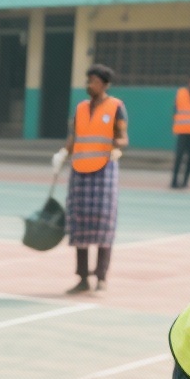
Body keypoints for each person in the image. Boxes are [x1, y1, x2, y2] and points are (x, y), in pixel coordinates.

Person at [51, 64, 127, 294]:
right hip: (79, 171)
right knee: (79, 224)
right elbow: (73, 138)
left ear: (104, 84)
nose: (89, 85)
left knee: (104, 224)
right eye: (88, 80)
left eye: (94, 81)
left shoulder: (116, 107)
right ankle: (83, 277)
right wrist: (63, 154)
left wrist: (116, 147)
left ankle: (101, 277)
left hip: (104, 170)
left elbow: (123, 137)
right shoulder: (81, 108)